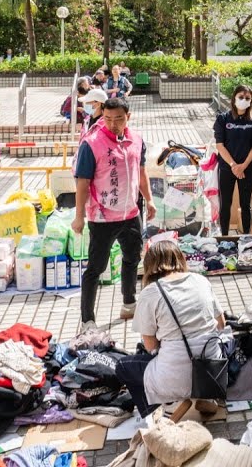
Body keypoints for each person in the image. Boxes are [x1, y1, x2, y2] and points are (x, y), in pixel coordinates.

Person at [72, 97, 155, 330]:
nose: (112, 124)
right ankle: (88, 319)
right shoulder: (92, 144)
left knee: (132, 257)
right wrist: (79, 216)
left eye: (118, 118)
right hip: (102, 216)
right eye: (107, 118)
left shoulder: (136, 140)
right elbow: (82, 182)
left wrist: (149, 200)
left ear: (128, 117)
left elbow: (141, 173)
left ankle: (129, 303)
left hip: (130, 212)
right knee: (96, 268)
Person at [116, 242, 225, 418]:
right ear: (180, 258)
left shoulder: (151, 292)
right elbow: (221, 324)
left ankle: (165, 408)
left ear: (150, 265)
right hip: (212, 370)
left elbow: (151, 345)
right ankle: (206, 395)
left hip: (175, 376)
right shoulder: (200, 280)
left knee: (123, 366)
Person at [213, 85, 252, 236]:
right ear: (234, 98)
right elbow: (220, 145)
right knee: (225, 204)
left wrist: (243, 166)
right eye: (241, 97)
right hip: (227, 168)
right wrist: (234, 165)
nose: (244, 100)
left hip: (246, 168)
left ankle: (247, 236)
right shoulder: (223, 118)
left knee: (246, 204)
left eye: (247, 98)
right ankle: (225, 235)